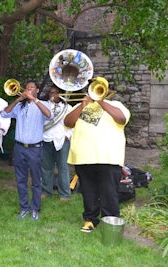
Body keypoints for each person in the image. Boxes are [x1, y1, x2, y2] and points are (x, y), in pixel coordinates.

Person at [64, 77, 131, 233]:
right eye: (92, 86)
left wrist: (100, 101)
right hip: (83, 157)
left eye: (98, 86)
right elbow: (68, 123)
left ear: (106, 89)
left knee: (109, 193)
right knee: (88, 191)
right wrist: (82, 105)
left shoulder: (116, 105)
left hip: (107, 157)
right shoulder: (82, 106)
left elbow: (121, 119)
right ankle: (90, 220)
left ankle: (110, 223)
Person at [0, 81, 53, 221]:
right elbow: (4, 114)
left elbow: (49, 115)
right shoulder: (20, 105)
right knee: (21, 180)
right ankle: (24, 208)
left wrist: (34, 100)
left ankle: (35, 208)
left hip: (35, 148)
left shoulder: (43, 104)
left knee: (36, 180)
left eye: (31, 88)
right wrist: (18, 99)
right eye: (27, 88)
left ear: (37, 90)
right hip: (19, 148)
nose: (28, 90)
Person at [41, 86, 73, 201]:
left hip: (61, 140)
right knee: (46, 167)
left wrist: (67, 135)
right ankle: (46, 191)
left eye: (55, 93)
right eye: (50, 92)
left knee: (63, 167)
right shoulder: (44, 105)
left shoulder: (68, 107)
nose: (52, 95)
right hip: (46, 139)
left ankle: (64, 194)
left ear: (60, 94)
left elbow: (72, 124)